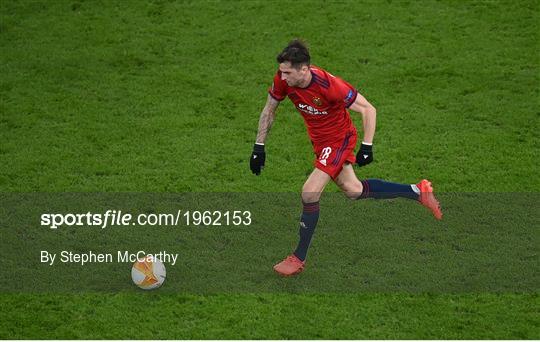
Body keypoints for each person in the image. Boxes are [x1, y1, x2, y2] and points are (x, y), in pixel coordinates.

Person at [250, 39, 442, 277]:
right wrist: (259, 146)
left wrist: (367, 145)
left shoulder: (329, 85)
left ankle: (298, 257)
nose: (283, 77)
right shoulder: (284, 80)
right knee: (354, 190)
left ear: (304, 69)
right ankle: (417, 191)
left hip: (339, 139)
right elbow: (269, 109)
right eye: (281, 72)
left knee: (309, 192)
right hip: (321, 143)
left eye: (288, 72)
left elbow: (368, 109)